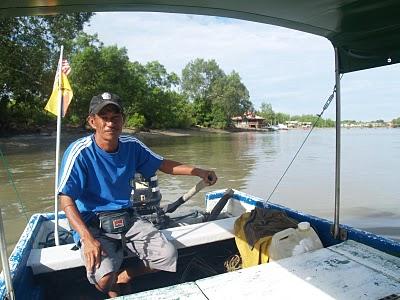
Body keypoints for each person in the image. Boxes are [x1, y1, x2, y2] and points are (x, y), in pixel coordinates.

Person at [58, 92, 217, 297]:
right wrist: (86, 238)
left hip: (127, 216)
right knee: (104, 280)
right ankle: (114, 284)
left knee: (167, 256)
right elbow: (65, 199)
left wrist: (199, 171)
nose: (110, 123)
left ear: (122, 120)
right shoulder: (79, 152)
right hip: (91, 223)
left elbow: (164, 164)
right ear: (92, 121)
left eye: (115, 117)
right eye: (103, 117)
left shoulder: (132, 145)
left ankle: (126, 276)